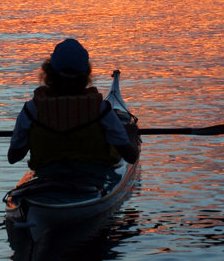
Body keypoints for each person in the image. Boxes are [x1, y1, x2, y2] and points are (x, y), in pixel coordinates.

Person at [8, 38, 140, 171]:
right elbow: (130, 156)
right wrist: (131, 135)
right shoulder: (100, 109)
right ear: (86, 75)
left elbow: (13, 157)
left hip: (46, 177)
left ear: (49, 72)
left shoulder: (32, 110)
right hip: (92, 179)